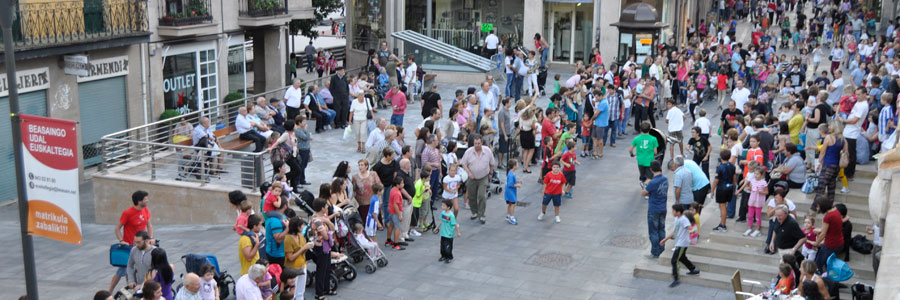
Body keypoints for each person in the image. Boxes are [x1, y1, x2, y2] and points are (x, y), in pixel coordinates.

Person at [112, 190, 154, 292]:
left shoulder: (145, 210)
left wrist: (150, 237)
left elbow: (149, 225)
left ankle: (137, 288)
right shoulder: (127, 213)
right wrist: (121, 240)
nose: (147, 200)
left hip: (142, 244)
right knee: (122, 270)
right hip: (130, 247)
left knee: (142, 267)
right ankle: (109, 292)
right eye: (145, 199)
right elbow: (117, 228)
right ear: (139, 201)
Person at [660, 204, 700, 288]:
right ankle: (692, 269)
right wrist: (665, 239)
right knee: (682, 257)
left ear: (678, 212)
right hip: (679, 242)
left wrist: (692, 231)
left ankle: (676, 279)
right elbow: (675, 231)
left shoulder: (683, 219)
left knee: (674, 260)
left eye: (673, 211)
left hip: (682, 244)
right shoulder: (677, 219)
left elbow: (690, 228)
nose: (672, 212)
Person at [459, 134, 496, 224]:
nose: (477, 145)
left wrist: (490, 173)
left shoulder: (487, 151)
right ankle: (474, 212)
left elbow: (492, 163)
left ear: (481, 143)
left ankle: (482, 214)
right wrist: (469, 173)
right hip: (472, 177)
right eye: (475, 143)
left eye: (479, 143)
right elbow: (463, 163)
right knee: (472, 196)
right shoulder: (469, 152)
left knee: (482, 196)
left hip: (483, 177)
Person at [814, 123, 846, 204]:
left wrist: (818, 163)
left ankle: (814, 209)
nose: (829, 127)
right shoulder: (843, 139)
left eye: (830, 125)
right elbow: (846, 152)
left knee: (821, 188)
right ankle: (830, 206)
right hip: (836, 165)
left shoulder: (829, 137)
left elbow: (823, 152)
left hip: (828, 165)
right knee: (831, 188)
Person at [642, 160, 668, 258]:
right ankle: (662, 248)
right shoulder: (665, 179)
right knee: (661, 229)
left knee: (653, 231)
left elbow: (643, 193)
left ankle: (655, 251)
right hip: (663, 208)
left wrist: (646, 184)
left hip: (654, 209)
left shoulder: (653, 182)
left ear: (651, 169)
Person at [284, 216, 312, 300]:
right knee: (292, 291)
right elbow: (290, 258)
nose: (303, 227)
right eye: (302, 225)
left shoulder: (301, 236)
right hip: (292, 268)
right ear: (297, 227)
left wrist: (307, 247)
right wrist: (303, 248)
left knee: (300, 291)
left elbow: (302, 251)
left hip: (302, 266)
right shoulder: (288, 239)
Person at [814, 198, 845, 274]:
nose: (817, 208)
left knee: (817, 264)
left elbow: (823, 234)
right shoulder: (836, 211)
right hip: (839, 242)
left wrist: (816, 243)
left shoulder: (828, 217)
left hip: (830, 245)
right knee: (828, 264)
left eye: (818, 206)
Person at [710, 151, 736, 233]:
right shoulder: (732, 166)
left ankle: (723, 225)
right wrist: (734, 187)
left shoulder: (720, 167)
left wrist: (712, 191)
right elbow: (734, 178)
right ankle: (722, 223)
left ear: (721, 157)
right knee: (724, 206)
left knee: (722, 206)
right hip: (730, 187)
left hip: (722, 188)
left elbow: (716, 180)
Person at [739, 166, 767, 237]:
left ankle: (758, 229)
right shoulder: (752, 181)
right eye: (755, 174)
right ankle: (749, 228)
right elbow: (752, 188)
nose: (755, 175)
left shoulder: (764, 182)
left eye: (757, 174)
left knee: (757, 216)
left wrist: (761, 192)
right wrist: (749, 188)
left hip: (759, 201)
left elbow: (766, 192)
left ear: (761, 175)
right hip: (752, 200)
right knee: (750, 215)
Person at [385, 176, 406, 251]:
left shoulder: (392, 189)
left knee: (391, 225)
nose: (403, 184)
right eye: (402, 183)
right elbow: (395, 204)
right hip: (395, 212)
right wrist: (399, 215)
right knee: (397, 228)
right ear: (398, 185)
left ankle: (388, 240)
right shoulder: (397, 193)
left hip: (390, 211)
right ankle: (396, 244)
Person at [438, 199, 461, 263]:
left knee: (448, 246)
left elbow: (455, 224)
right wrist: (437, 228)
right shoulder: (443, 213)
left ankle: (449, 257)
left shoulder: (451, 215)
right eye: (442, 205)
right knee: (442, 246)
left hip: (449, 234)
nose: (442, 206)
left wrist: (458, 232)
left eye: (443, 206)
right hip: (443, 233)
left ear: (448, 207)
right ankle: (443, 256)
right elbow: (441, 220)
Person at [504, 159, 522, 225]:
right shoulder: (511, 175)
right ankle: (511, 217)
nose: (518, 165)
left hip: (509, 192)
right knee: (513, 204)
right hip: (511, 192)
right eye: (517, 164)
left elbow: (510, 182)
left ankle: (508, 215)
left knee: (510, 204)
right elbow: (510, 184)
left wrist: (517, 182)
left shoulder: (511, 173)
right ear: (514, 166)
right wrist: (518, 185)